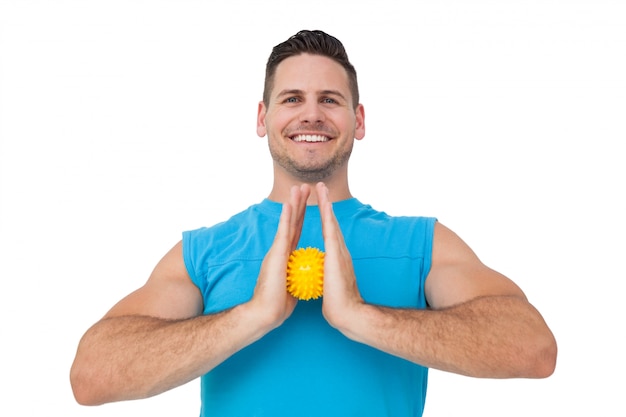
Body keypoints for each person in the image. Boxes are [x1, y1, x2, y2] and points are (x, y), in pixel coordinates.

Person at [70, 30, 557, 416]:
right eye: (291, 98)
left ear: (358, 120)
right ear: (262, 117)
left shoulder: (423, 243)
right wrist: (250, 317)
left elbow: (533, 349)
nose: (311, 113)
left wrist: (360, 316)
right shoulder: (205, 250)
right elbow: (91, 377)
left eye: (329, 99)